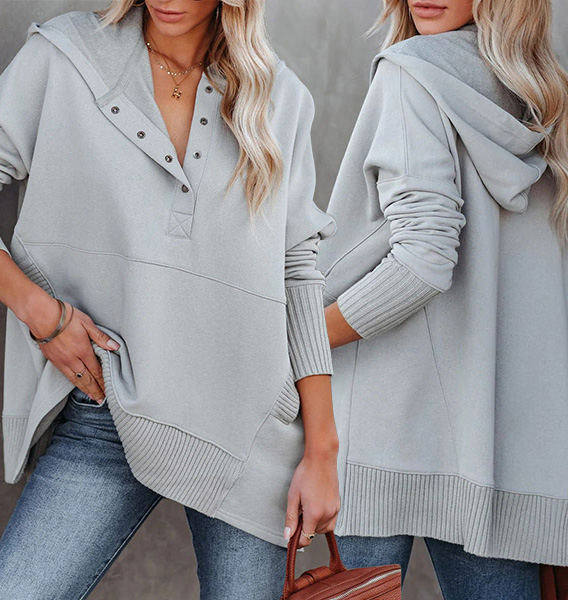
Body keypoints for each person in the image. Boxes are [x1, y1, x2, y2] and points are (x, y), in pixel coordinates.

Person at [0, 1, 341, 598]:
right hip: (107, 407)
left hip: (245, 435)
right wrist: (39, 312)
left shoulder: (279, 97)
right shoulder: (64, 56)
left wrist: (322, 450)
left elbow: (297, 272)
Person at [317, 0, 568, 598]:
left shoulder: (410, 71)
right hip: (496, 443)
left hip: (385, 424)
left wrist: (303, 341)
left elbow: (423, 260)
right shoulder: (538, 96)